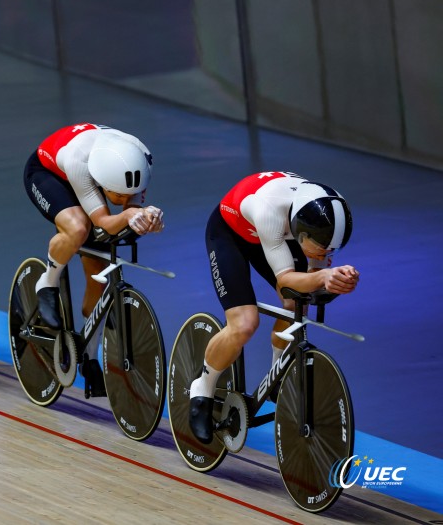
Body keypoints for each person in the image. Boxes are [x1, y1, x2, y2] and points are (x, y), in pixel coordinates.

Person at [189, 171, 359, 443]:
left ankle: (276, 376)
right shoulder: (269, 209)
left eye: (330, 251)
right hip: (231, 233)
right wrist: (323, 275)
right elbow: (285, 280)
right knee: (244, 324)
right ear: (301, 231)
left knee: (295, 305)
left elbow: (306, 285)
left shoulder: (327, 213)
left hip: (277, 235)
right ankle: (203, 388)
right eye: (319, 249)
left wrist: (338, 279)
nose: (324, 256)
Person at [23, 123, 165, 397]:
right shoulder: (78, 160)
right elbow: (105, 221)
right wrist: (126, 216)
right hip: (49, 173)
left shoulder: (140, 158)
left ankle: (89, 355)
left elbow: (130, 209)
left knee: (97, 276)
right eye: (118, 195)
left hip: (91, 177)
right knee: (78, 228)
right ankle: (47, 282)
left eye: (127, 194)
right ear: (102, 183)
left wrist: (147, 217)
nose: (123, 199)